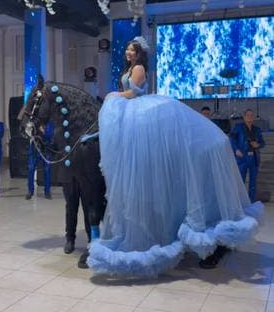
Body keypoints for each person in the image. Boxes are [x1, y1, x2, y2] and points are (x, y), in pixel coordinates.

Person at [87, 36, 263, 278]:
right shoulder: (129, 68)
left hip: (138, 108)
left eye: (131, 49)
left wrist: (115, 96)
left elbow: (135, 92)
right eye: (127, 48)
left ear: (138, 52)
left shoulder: (138, 68)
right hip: (131, 112)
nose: (127, 52)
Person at [230, 109, 265, 203]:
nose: (250, 117)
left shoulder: (257, 129)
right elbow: (232, 139)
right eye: (248, 115)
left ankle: (251, 202)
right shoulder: (238, 127)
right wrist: (236, 149)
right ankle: (239, 202)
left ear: (253, 117)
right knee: (240, 181)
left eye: (251, 115)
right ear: (244, 117)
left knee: (253, 182)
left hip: (254, 158)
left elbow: (263, 143)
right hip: (242, 157)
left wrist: (258, 145)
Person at [26, 121, 54, 200]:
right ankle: (30, 191)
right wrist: (29, 129)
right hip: (34, 150)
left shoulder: (49, 124)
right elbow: (27, 133)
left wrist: (43, 131)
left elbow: (50, 135)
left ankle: (47, 192)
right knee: (31, 169)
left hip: (45, 150)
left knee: (47, 170)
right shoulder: (33, 123)